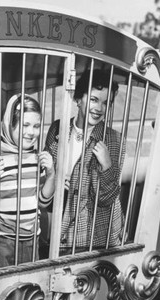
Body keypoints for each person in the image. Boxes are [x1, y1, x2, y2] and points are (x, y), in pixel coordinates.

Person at [45, 69, 123, 251]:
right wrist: (55, 179)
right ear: (78, 99)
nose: (100, 109)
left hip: (93, 234)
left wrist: (107, 166)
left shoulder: (113, 139)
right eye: (94, 99)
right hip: (59, 223)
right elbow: (45, 173)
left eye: (106, 103)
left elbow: (106, 198)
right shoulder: (57, 128)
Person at [0, 94, 55, 267]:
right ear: (9, 123)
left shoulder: (38, 158)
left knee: (28, 291)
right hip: (0, 241)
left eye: (36, 126)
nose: (31, 132)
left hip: (31, 241)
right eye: (25, 125)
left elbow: (43, 202)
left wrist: (51, 175)